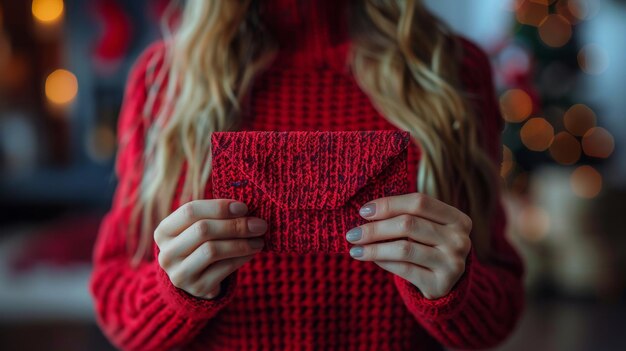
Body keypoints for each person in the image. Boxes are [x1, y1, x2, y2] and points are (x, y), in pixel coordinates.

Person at [89, 0, 525, 350]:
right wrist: (172, 293)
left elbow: (501, 304)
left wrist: (454, 291)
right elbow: (113, 300)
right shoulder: (163, 80)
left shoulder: (453, 69)